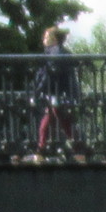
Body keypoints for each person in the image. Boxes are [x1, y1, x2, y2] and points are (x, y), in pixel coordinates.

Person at [32, 25, 83, 159]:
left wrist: (37, 92)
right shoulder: (64, 52)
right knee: (59, 123)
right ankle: (78, 151)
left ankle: (41, 152)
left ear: (54, 39)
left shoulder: (52, 53)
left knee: (57, 123)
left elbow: (47, 76)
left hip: (56, 94)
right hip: (64, 95)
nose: (43, 39)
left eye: (46, 37)